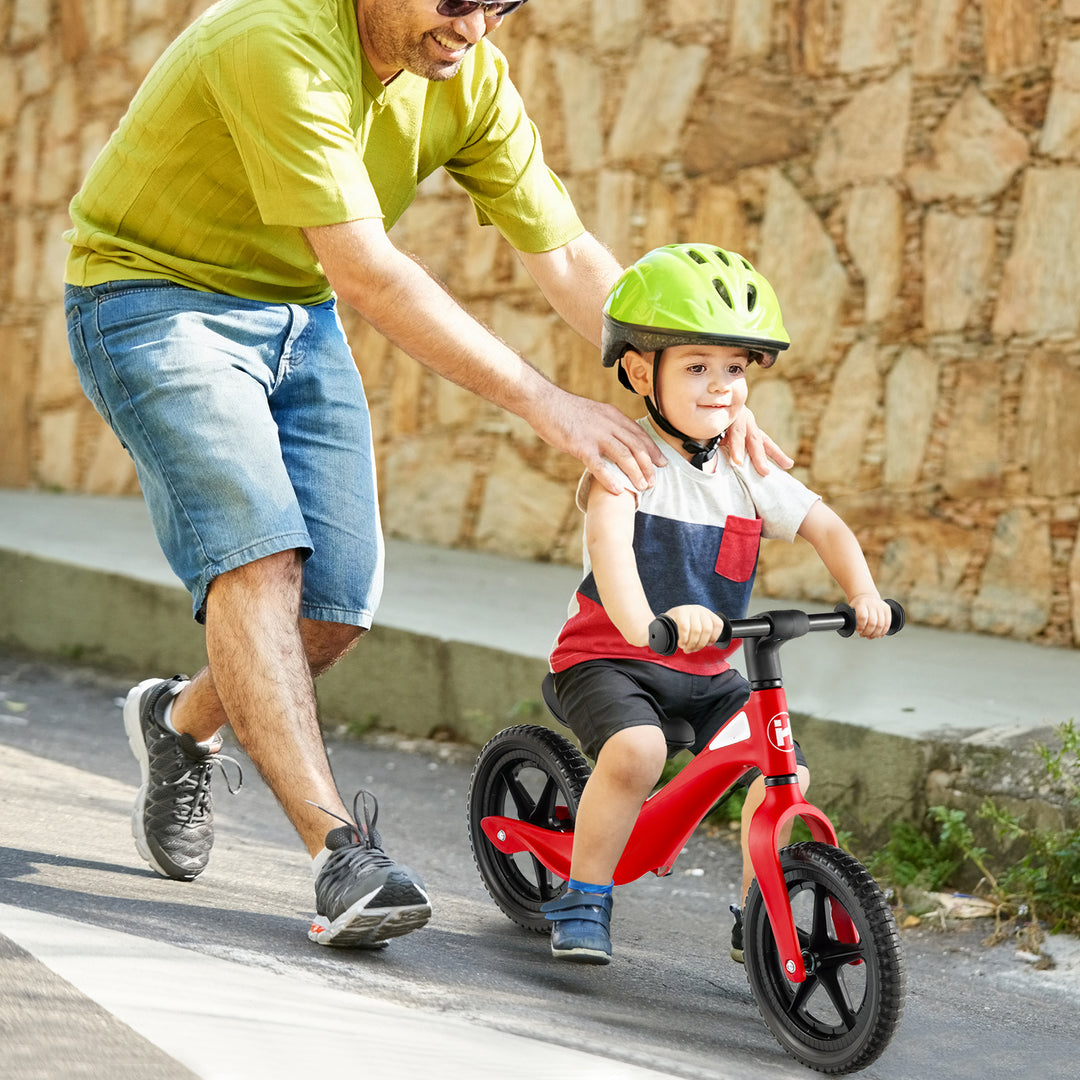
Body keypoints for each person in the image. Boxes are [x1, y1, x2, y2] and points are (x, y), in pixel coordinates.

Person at [62, 1, 788, 949]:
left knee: (334, 609)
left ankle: (180, 723)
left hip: (296, 313)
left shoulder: (467, 75)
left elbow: (568, 255)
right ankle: (339, 856)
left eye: (502, 2)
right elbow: (367, 270)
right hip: (152, 298)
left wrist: (689, 378)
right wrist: (544, 401)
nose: (477, 25)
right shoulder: (275, 42)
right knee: (262, 558)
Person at [542, 243, 893, 964]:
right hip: (609, 658)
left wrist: (861, 594)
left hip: (705, 668)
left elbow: (825, 526)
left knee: (783, 767)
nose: (720, 386)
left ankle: (758, 915)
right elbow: (610, 549)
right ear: (641, 372)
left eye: (734, 369)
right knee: (637, 752)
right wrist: (648, 624)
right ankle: (584, 895)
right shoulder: (627, 460)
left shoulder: (744, 467)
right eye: (697, 367)